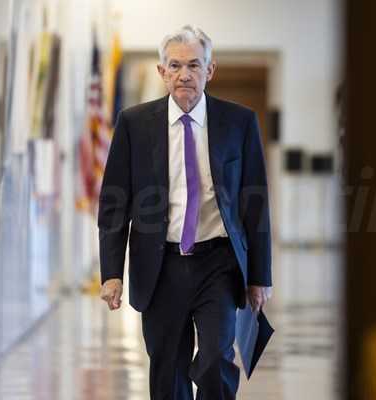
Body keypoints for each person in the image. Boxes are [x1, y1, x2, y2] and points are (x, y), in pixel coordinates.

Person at [98, 25, 272, 400]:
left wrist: (260, 276)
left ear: (210, 70)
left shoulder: (239, 123)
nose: (184, 74)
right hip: (160, 265)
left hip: (218, 263)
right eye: (175, 66)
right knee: (167, 370)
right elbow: (114, 204)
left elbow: (255, 204)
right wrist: (111, 273)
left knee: (215, 361)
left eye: (194, 65)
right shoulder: (134, 124)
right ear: (162, 72)